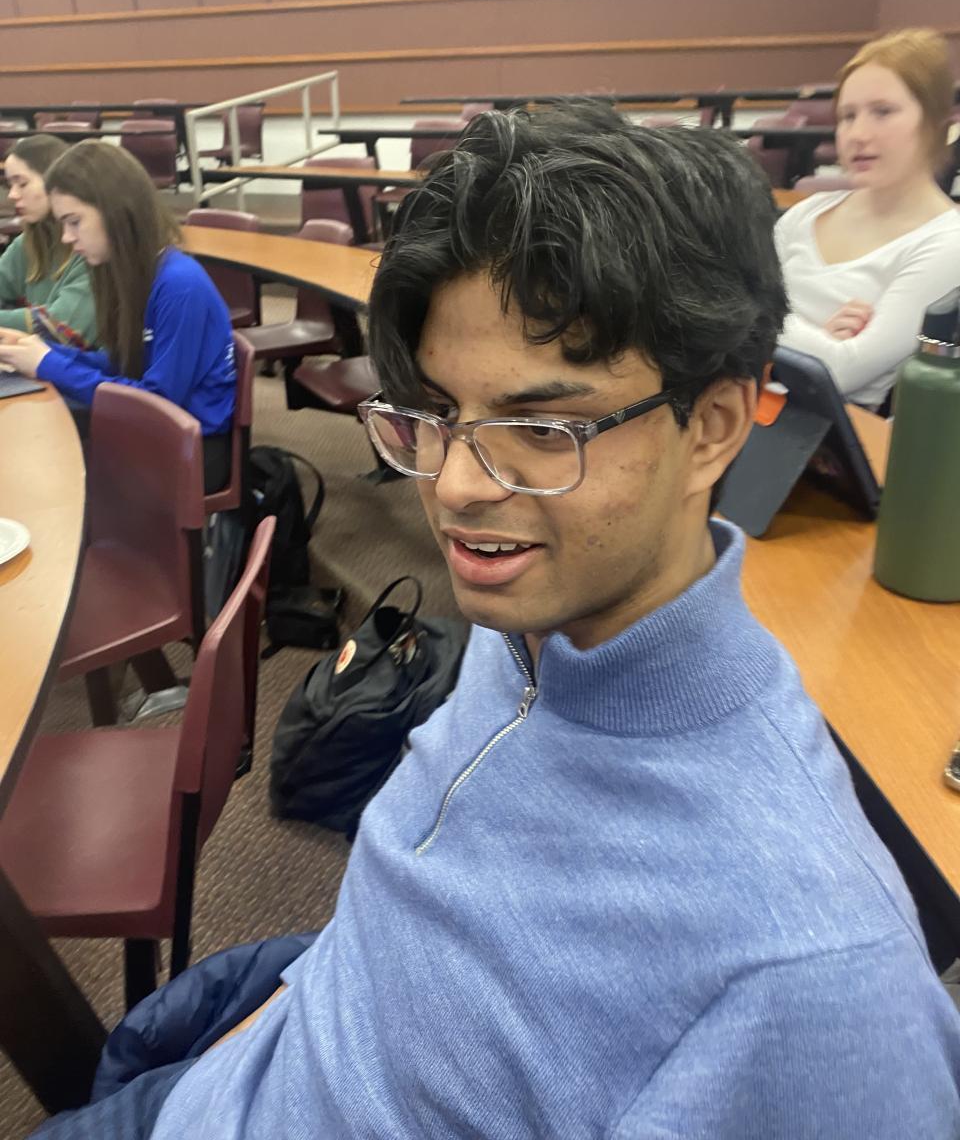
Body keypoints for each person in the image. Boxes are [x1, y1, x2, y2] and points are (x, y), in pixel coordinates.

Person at [32, 106, 960, 1139]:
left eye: (544, 427)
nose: (459, 489)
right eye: (434, 413)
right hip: (250, 1051)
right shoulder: (538, 618)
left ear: (713, 427)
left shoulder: (815, 982)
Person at [0, 140, 236, 492]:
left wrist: (49, 364)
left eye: (74, 222)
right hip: (159, 433)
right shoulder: (134, 274)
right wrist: (39, 351)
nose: (66, 237)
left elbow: (157, 403)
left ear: (115, 212)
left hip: (193, 450)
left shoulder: (179, 285)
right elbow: (123, 364)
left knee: (42, 459)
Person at [777, 28, 960, 410]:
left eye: (883, 112)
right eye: (848, 116)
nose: (858, 134)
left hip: (835, 437)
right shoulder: (808, 212)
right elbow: (731, 308)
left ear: (937, 122)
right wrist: (817, 342)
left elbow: (841, 372)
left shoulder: (949, 240)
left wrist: (776, 328)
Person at [0, 134, 96, 347]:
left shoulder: (93, 247)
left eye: (22, 183)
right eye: (9, 185)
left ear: (55, 182)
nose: (12, 195)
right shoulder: (27, 243)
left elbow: (60, 329)